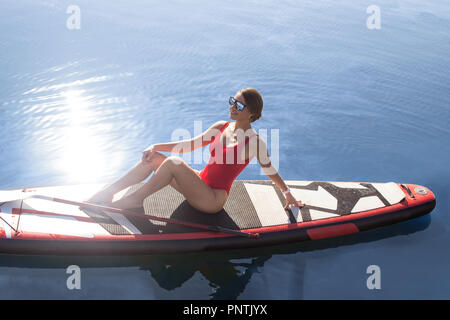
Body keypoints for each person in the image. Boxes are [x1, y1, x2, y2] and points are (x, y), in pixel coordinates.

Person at [87, 88, 304, 213]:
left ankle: (135, 200)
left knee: (173, 163)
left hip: (212, 199)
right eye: (232, 102)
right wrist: (155, 147)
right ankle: (107, 193)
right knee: (154, 159)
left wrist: (287, 194)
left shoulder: (254, 142)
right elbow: (188, 145)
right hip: (198, 184)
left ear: (252, 113)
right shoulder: (221, 127)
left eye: (238, 106)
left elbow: (269, 169)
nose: (232, 107)